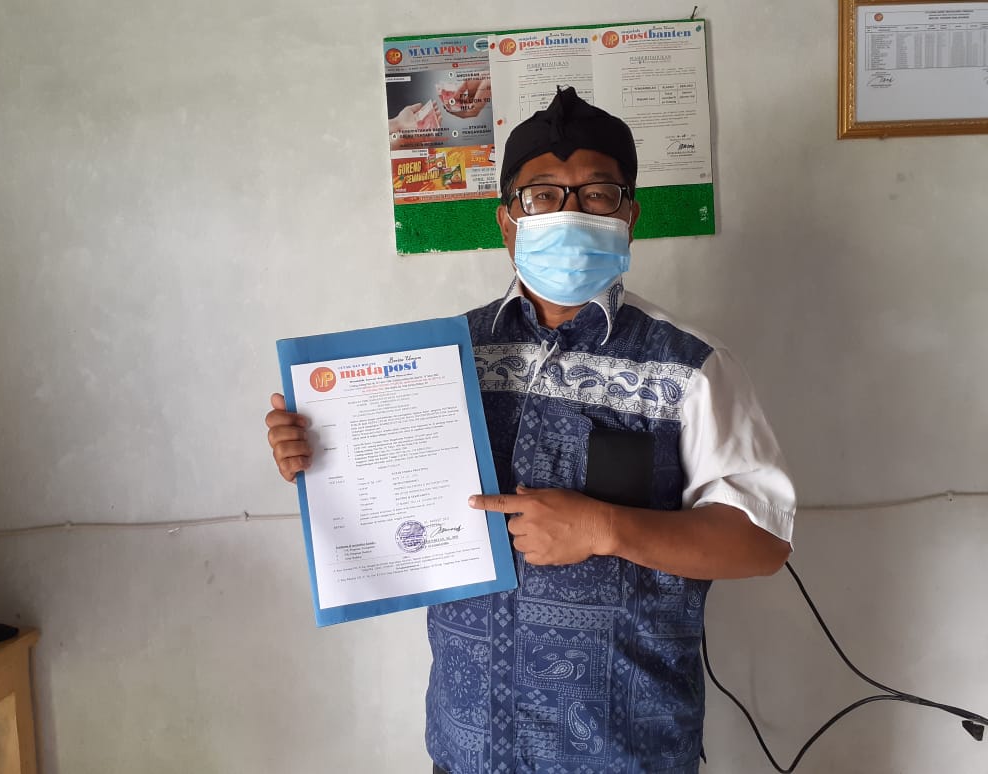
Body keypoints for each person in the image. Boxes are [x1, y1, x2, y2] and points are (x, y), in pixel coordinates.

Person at [266, 86, 795, 774]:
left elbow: (761, 542)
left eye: (597, 194)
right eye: (542, 195)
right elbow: (386, 495)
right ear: (508, 222)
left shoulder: (692, 366)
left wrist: (605, 528)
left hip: (624, 756)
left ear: (629, 216)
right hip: (467, 746)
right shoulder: (442, 358)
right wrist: (318, 449)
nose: (569, 212)